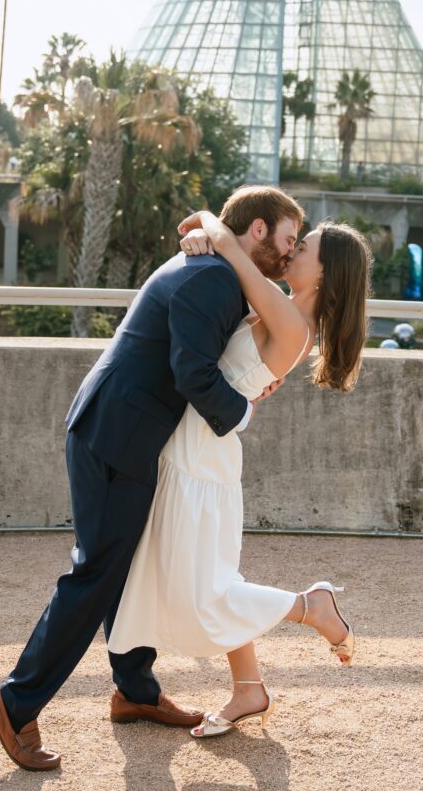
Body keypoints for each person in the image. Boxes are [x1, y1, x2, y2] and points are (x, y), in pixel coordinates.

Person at [0, 185, 304, 771]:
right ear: (256, 231)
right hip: (116, 434)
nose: (289, 254)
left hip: (123, 430)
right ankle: (15, 701)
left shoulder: (216, 267)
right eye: (287, 241)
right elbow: (192, 374)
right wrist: (246, 410)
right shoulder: (213, 277)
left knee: (124, 564)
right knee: (97, 572)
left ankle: (135, 691)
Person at [107, 210, 373, 738]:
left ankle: (310, 607)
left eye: (304, 248)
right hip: (196, 451)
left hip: (201, 459)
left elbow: (230, 245)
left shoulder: (290, 318)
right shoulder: (287, 313)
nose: (291, 253)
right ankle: (248, 688)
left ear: (323, 273)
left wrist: (205, 221)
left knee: (201, 596)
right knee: (208, 582)